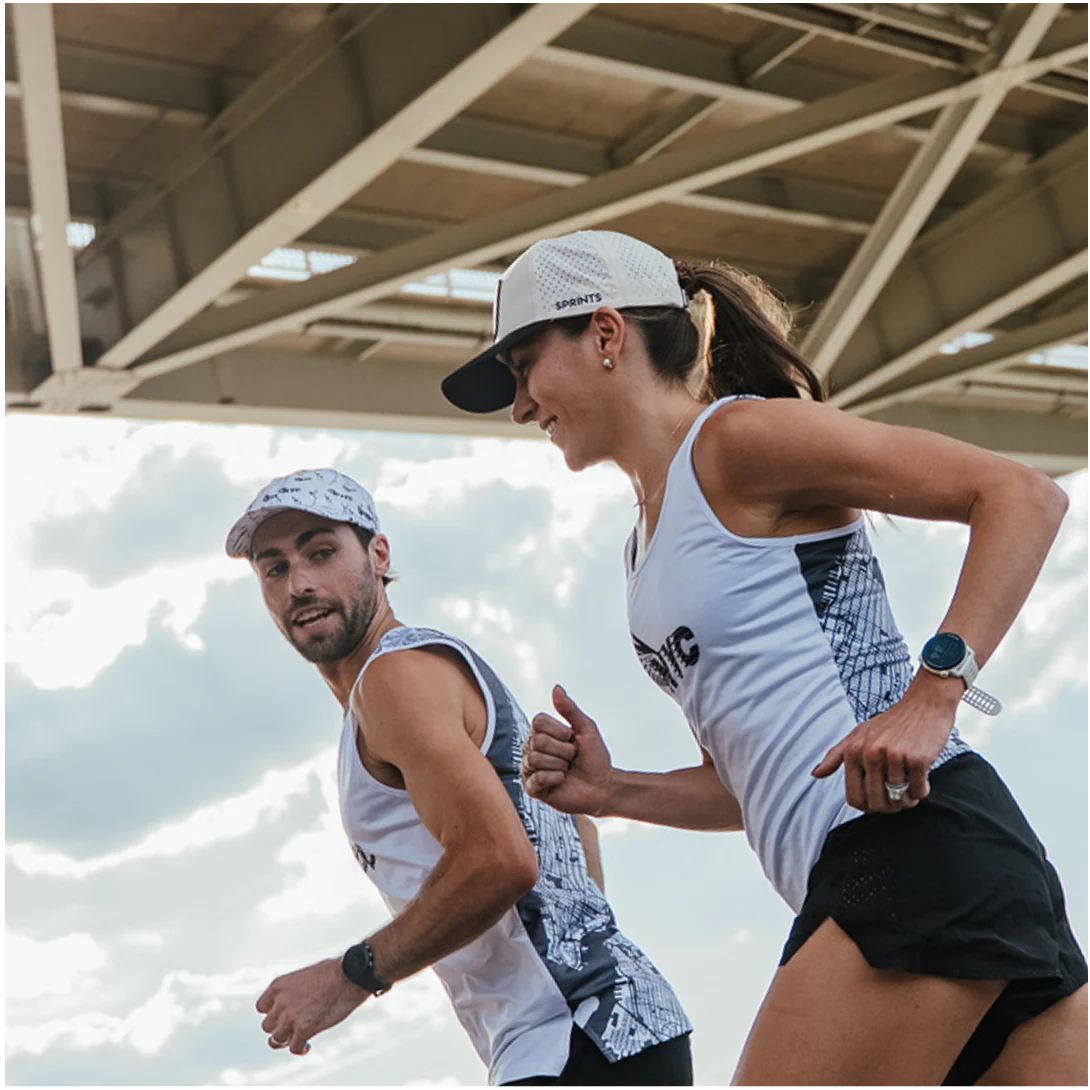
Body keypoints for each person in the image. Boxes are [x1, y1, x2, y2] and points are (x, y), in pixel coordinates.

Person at [440, 230, 1088, 1088]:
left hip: (909, 849)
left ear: (605, 336)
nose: (521, 406)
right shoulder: (643, 554)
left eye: (524, 366)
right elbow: (753, 783)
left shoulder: (736, 442)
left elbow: (1020, 494)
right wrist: (612, 791)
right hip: (936, 861)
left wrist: (933, 695)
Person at [225, 468, 693, 1088]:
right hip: (601, 1031)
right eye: (274, 569)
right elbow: (569, 823)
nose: (300, 584)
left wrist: (348, 977)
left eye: (321, 551)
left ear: (379, 555)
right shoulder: (395, 684)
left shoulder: (395, 679)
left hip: (574, 1035)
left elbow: (501, 858)